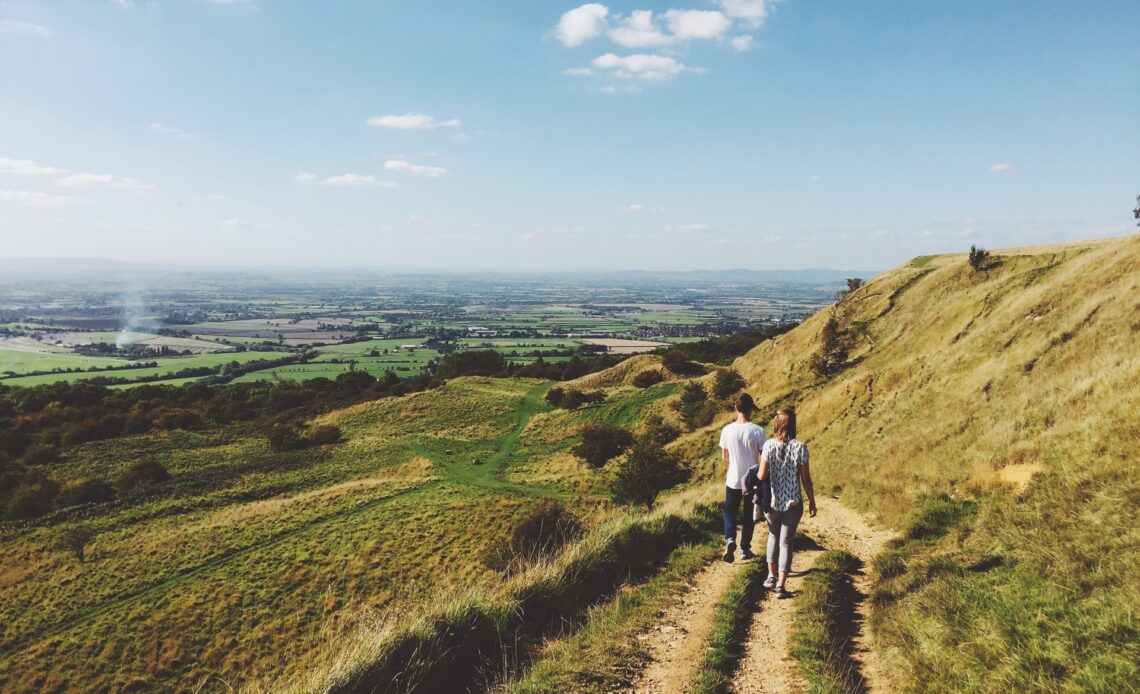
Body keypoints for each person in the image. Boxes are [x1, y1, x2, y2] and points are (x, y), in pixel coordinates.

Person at [760, 407, 816, 598]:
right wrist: (812, 502)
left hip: (773, 502)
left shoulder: (768, 446)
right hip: (793, 503)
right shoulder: (801, 447)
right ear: (792, 425)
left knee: (773, 537)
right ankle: (781, 586)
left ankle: (770, 576)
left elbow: (761, 475)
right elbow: (806, 479)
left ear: (777, 423)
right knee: (786, 542)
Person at [719, 393, 766, 563]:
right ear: (751, 409)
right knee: (748, 516)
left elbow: (725, 456)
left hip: (733, 478)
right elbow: (763, 459)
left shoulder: (727, 430)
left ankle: (730, 539)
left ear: (736, 408)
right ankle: (745, 548)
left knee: (730, 511)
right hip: (752, 480)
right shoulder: (758, 431)